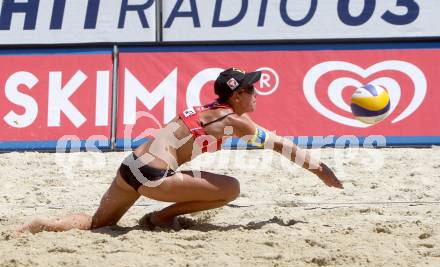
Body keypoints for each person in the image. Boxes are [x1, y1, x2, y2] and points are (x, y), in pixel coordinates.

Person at [17, 67, 343, 234]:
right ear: (237, 96)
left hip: (131, 165)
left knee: (96, 225)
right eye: (251, 88)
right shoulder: (236, 120)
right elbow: (281, 146)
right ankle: (160, 217)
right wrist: (321, 170)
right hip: (156, 176)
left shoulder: (201, 110)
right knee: (232, 188)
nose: (256, 93)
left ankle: (43, 225)